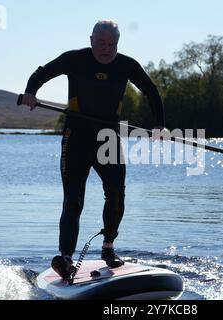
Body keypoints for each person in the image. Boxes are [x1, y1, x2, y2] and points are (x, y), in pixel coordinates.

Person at [20, 19, 165, 279]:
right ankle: (66, 258)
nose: (106, 49)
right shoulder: (74, 60)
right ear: (91, 40)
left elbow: (152, 91)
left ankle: (108, 247)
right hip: (75, 138)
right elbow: (41, 72)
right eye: (101, 43)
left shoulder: (126, 65)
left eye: (112, 44)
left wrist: (159, 125)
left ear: (118, 44)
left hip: (108, 138)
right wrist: (31, 92)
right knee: (74, 199)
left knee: (116, 194)